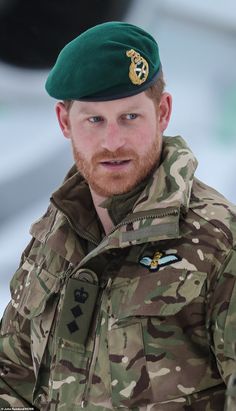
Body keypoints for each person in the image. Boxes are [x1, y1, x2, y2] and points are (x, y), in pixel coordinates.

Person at [0, 21, 236, 411]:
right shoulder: (52, 237)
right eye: (94, 120)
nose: (113, 142)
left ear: (163, 112)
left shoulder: (219, 241)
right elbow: (11, 374)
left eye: (130, 117)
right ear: (64, 122)